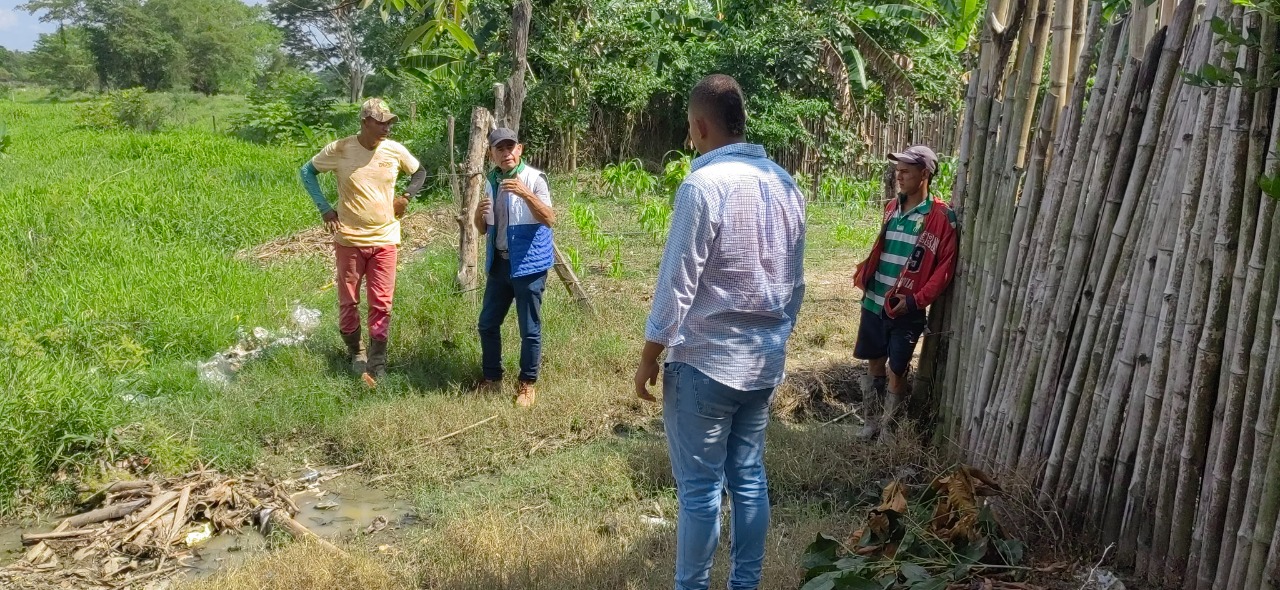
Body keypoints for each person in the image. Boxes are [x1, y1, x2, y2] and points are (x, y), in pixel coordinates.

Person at [634, 74, 806, 590]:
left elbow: (676, 282)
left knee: (701, 490)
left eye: (690, 129)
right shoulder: (785, 183)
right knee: (749, 478)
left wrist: (649, 354)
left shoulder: (702, 185)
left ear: (701, 126)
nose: (691, 138)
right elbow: (795, 281)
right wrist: (778, 335)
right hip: (761, 362)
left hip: (704, 361)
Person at [299, 97, 425, 383]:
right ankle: (356, 352)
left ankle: (378, 361)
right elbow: (307, 172)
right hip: (349, 240)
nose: (387, 128)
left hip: (385, 239)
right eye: (381, 122)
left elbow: (419, 171)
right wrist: (325, 209)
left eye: (389, 122)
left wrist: (405, 197)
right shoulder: (341, 149)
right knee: (349, 301)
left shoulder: (394, 150)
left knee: (381, 301)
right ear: (365, 122)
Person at [852, 145, 958, 439]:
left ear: (924, 174)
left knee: (897, 369)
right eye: (897, 171)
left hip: (906, 307)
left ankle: (889, 431)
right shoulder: (891, 208)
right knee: (874, 360)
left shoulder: (941, 217)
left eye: (905, 171)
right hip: (875, 301)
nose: (898, 177)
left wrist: (915, 301)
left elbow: (944, 269)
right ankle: (870, 424)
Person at [473, 127, 556, 408]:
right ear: (491, 154)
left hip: (528, 265)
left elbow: (549, 219)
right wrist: (476, 215)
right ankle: (492, 378)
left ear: (519, 149)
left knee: (529, 328)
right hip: (499, 263)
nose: (506, 153)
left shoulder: (534, 179)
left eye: (511, 148)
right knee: (487, 324)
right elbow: (482, 229)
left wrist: (525, 194)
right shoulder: (491, 181)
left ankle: (527, 384)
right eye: (500, 149)